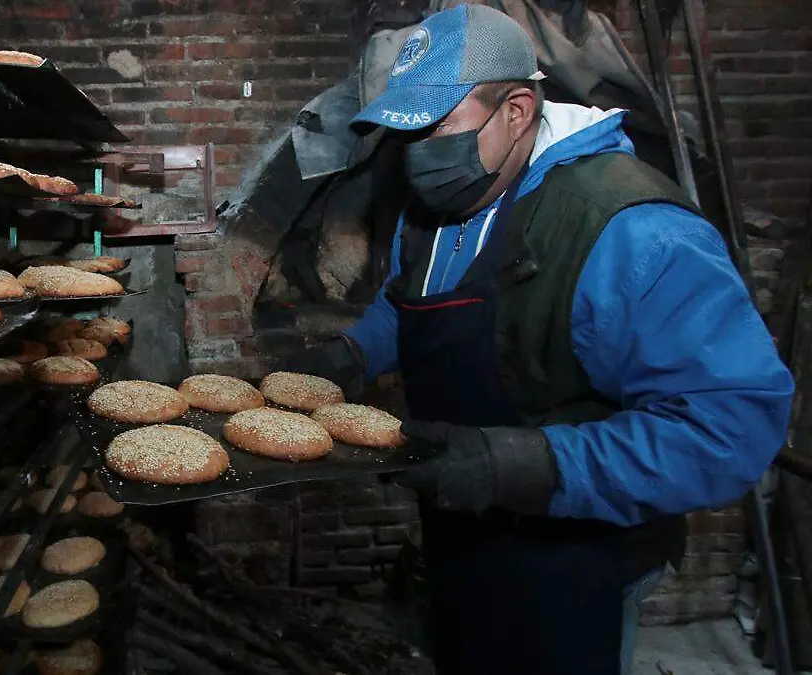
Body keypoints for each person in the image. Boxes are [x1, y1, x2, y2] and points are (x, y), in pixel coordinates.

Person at [281, 5, 794, 675]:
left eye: (435, 128)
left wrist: (529, 465)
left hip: (577, 562)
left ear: (518, 109)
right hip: (463, 536)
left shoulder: (632, 232)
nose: (417, 155)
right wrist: (355, 352)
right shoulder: (440, 205)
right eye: (402, 135)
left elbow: (733, 428)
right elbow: (413, 298)